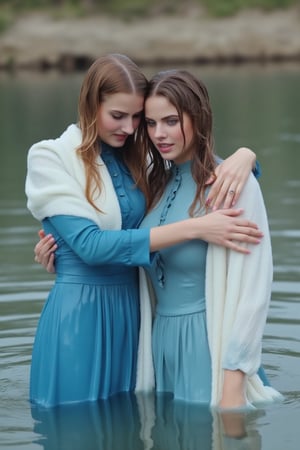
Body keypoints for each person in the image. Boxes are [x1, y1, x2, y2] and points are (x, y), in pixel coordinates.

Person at [26, 53, 263, 408]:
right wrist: (195, 228)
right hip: (81, 313)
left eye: (137, 117)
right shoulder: (51, 157)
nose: (131, 127)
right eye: (118, 116)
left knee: (134, 421)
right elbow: (89, 245)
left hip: (137, 315)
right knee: (75, 422)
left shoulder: (143, 158)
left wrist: (247, 156)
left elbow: (196, 167)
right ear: (91, 105)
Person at [132, 69, 282, 409]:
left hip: (208, 347)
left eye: (171, 121)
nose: (160, 134)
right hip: (160, 348)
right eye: (151, 123)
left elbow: (254, 289)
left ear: (197, 118)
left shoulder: (231, 183)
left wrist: (234, 380)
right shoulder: (152, 184)